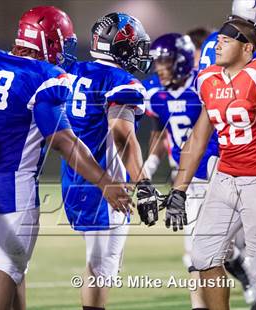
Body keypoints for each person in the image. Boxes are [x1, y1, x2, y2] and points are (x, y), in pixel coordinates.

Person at [0, 6, 131, 310]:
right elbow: (62, 141)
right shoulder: (43, 76)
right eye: (63, 43)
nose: (65, 51)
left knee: (13, 267)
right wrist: (104, 181)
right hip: (13, 186)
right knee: (7, 268)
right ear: (49, 41)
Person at [163, 18, 256, 310]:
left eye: (227, 41)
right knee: (203, 255)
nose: (218, 45)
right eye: (218, 40)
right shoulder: (209, 80)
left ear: (247, 48)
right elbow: (197, 138)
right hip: (225, 175)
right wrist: (179, 190)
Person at [143, 33, 256, 310]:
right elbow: (161, 134)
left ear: (183, 61)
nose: (160, 69)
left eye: (166, 63)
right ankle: (226, 292)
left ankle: (247, 277)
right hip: (187, 179)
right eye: (157, 63)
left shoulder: (204, 84)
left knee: (220, 248)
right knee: (199, 252)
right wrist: (148, 168)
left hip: (218, 172)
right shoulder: (155, 93)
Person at [61, 12, 160, 310]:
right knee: (102, 268)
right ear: (122, 47)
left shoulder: (72, 71)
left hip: (75, 177)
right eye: (135, 45)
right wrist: (143, 184)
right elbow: (121, 134)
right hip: (105, 183)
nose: (140, 53)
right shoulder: (120, 81)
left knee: (104, 265)